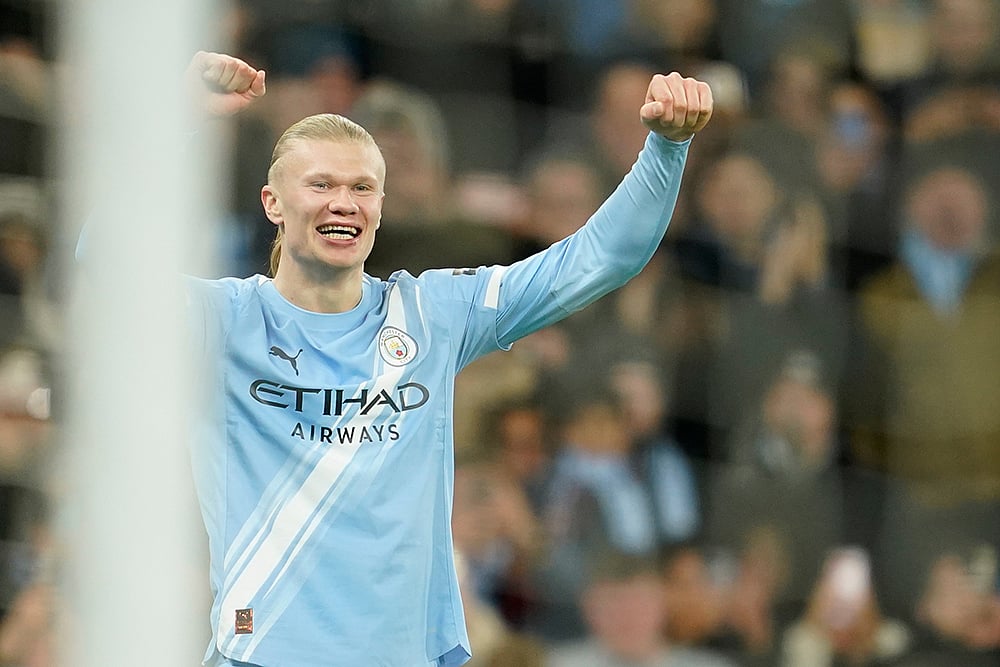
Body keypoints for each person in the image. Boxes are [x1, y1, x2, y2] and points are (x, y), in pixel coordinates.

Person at [171, 51, 712, 667]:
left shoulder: (431, 314)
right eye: (320, 184)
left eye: (361, 188)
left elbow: (598, 258)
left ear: (380, 207)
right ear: (272, 203)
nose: (343, 202)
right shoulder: (224, 320)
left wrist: (667, 149)